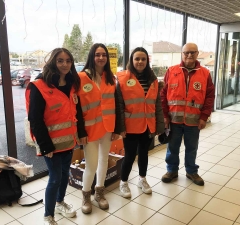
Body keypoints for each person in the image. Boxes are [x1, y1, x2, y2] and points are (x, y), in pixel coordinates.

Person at [26, 48, 82, 225]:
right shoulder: (39, 86)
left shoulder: (72, 84)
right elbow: (35, 118)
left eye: (68, 60)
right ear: (53, 62)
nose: (65, 64)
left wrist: (79, 135)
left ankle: (59, 203)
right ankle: (48, 215)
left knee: (65, 175)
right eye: (60, 60)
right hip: (50, 146)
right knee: (55, 178)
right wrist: (45, 145)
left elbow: (75, 112)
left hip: (69, 142)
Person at [160, 43, 215, 186]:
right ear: (182, 54)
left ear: (197, 54)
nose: (189, 55)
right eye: (186, 53)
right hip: (174, 120)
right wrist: (165, 116)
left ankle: (191, 171)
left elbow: (210, 97)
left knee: (192, 148)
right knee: (172, 147)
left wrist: (204, 117)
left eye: (192, 52)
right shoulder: (171, 71)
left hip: (194, 120)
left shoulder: (205, 73)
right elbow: (163, 95)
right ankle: (171, 170)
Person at [77, 43, 122, 214]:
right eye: (97, 54)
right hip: (89, 130)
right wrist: (80, 131)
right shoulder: (81, 77)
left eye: (104, 55)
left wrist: (117, 128)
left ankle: (99, 192)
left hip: (108, 127)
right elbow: (76, 108)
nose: (101, 57)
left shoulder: (111, 79)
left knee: (104, 161)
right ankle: (86, 196)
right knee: (91, 164)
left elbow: (116, 105)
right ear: (92, 56)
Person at [116, 47, 164, 198]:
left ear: (147, 61)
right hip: (130, 126)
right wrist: (121, 127)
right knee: (130, 155)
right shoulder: (123, 79)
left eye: (143, 59)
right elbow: (119, 104)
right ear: (131, 60)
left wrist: (159, 125)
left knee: (144, 154)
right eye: (137, 59)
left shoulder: (153, 80)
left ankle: (142, 179)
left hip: (148, 125)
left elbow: (157, 104)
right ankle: (123, 182)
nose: (140, 61)